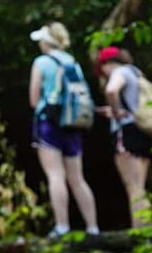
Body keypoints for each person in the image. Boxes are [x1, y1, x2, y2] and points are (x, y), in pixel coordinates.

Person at [28, 21, 100, 238]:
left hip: (49, 123)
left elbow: (34, 99)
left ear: (46, 41)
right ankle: (93, 228)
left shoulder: (41, 62)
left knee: (55, 175)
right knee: (77, 178)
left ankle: (62, 226)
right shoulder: (72, 62)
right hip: (73, 123)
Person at [94, 46, 152, 228]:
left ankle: (141, 229)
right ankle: (146, 226)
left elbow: (111, 90)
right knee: (140, 184)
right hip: (140, 131)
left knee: (133, 185)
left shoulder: (119, 72)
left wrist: (115, 111)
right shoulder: (136, 73)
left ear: (107, 64)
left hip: (125, 134)